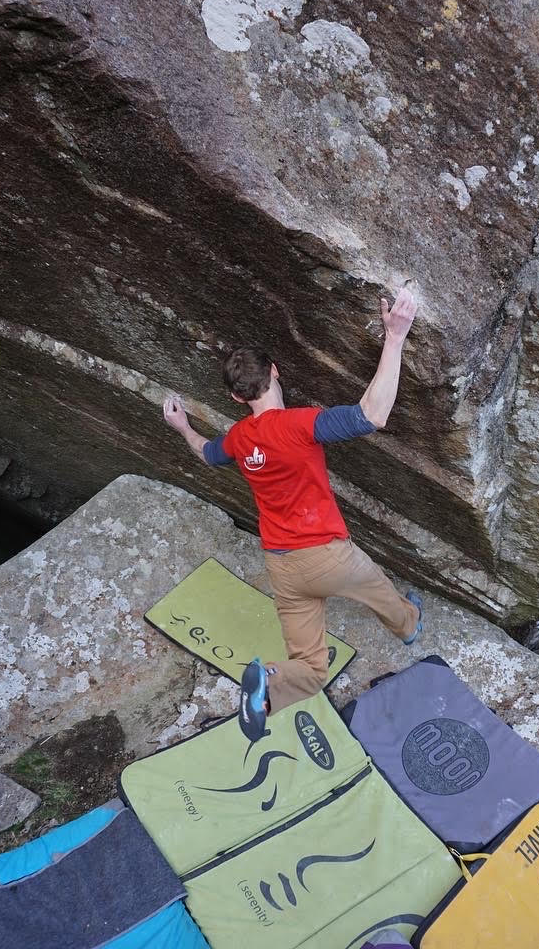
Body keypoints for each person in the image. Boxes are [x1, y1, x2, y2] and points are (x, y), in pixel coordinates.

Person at [162, 286, 423, 741]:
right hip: (328, 557)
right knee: (383, 595)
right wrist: (394, 336)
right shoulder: (300, 424)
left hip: (282, 567)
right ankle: (409, 629)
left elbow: (206, 453)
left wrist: (183, 426)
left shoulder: (240, 439)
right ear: (277, 373)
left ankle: (267, 691)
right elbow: (372, 414)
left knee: (310, 666)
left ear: (238, 399)